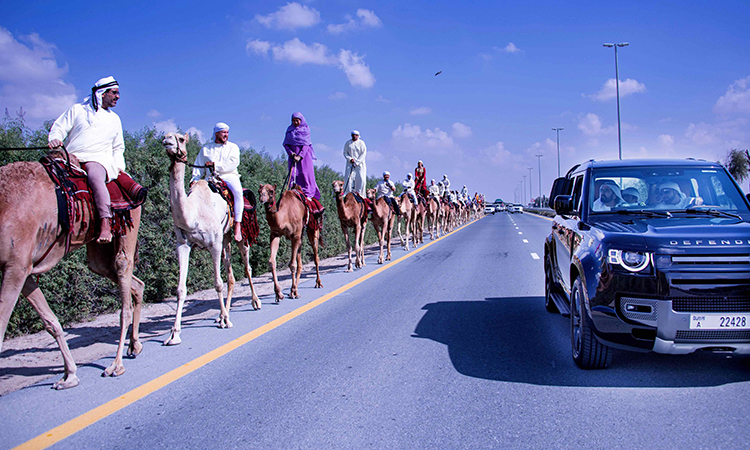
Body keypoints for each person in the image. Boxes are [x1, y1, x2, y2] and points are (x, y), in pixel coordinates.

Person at [48, 76, 124, 243]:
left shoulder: (114, 119)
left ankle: (105, 223)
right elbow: (59, 127)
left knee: (95, 177)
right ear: (102, 93)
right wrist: (55, 139)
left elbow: (118, 147)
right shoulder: (77, 110)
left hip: (98, 159)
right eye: (114, 93)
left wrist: (119, 166)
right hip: (71, 156)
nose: (118, 97)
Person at [191, 122, 244, 241]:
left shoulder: (233, 147)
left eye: (227, 132)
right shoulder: (206, 149)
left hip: (229, 176)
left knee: (238, 192)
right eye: (223, 132)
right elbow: (198, 165)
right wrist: (194, 179)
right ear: (216, 133)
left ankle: (237, 225)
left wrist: (216, 165)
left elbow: (233, 164)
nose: (226, 135)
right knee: (196, 194)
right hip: (211, 177)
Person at [284, 112, 321, 202]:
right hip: (293, 157)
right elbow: (285, 144)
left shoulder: (305, 130)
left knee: (305, 174)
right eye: (293, 121)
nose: (295, 122)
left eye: (297, 120)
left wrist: (300, 156)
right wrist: (291, 153)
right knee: (293, 174)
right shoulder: (289, 130)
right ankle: (293, 191)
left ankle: (308, 194)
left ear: (301, 120)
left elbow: (306, 145)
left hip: (304, 158)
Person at [343, 130, 366, 196]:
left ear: (358, 136)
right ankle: (348, 194)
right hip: (350, 164)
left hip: (360, 164)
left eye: (356, 135)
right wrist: (350, 159)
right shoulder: (348, 143)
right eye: (353, 135)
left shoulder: (361, 143)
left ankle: (360, 194)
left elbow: (363, 154)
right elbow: (345, 152)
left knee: (361, 178)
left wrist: (357, 162)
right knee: (348, 178)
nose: (354, 136)